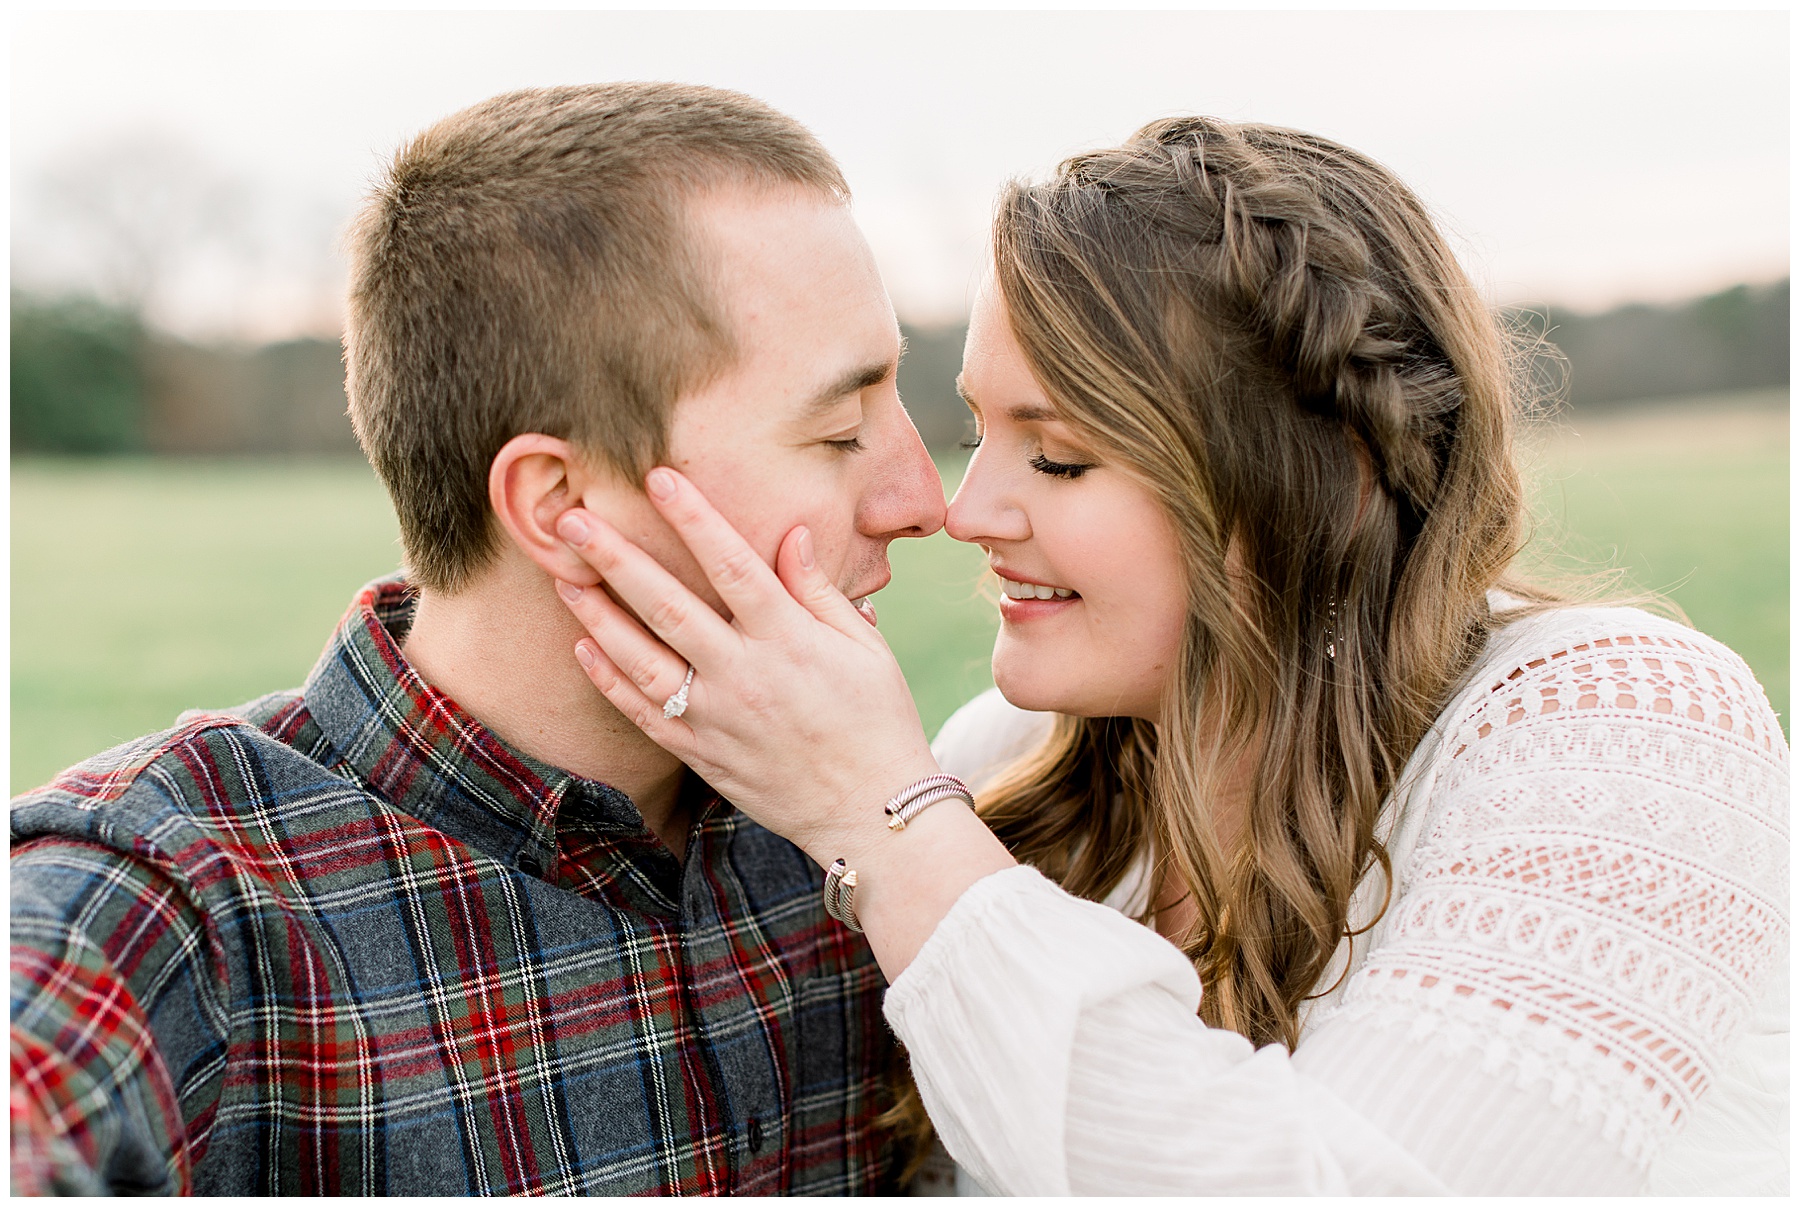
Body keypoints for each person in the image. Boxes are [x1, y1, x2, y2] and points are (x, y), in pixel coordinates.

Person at [550, 116, 1790, 1194]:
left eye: (1060, 456)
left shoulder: (1626, 724)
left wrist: (881, 821)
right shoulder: (1001, 764)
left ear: (1325, 479)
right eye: (981, 431)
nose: (965, 512)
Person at [9, 83, 945, 1194]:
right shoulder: (171, 902)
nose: (924, 498)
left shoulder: (885, 822)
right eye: (839, 431)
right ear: (560, 505)